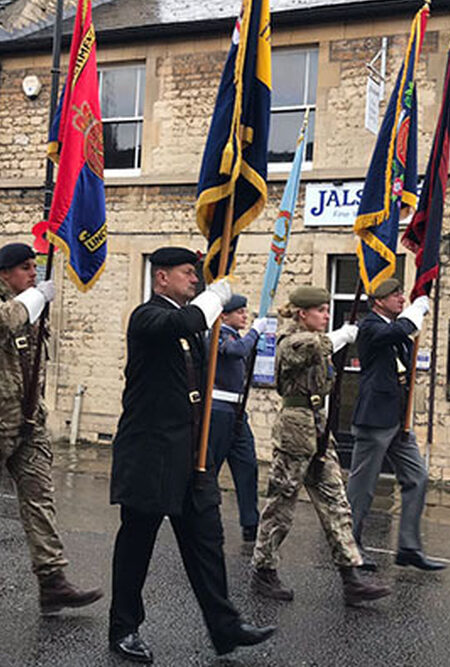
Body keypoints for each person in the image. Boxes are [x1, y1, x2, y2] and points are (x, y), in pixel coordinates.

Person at [109, 246, 275, 664]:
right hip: (150, 454)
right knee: (137, 544)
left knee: (206, 542)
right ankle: (124, 627)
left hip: (189, 455)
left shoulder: (190, 327)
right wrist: (216, 299)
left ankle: (225, 626)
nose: (195, 280)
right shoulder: (148, 317)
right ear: (160, 277)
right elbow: (186, 320)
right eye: (187, 273)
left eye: (195, 274)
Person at [0, 243, 102, 616]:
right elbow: (3, 321)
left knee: (40, 500)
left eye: (35, 267)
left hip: (28, 422)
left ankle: (52, 582)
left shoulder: (32, 306)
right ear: (4, 273)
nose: (34, 273)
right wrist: (36, 296)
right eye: (25, 268)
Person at [250, 286, 391, 606]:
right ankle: (264, 569)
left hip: (318, 425)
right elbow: (316, 346)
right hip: (295, 428)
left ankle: (351, 576)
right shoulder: (292, 341)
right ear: (303, 314)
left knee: (336, 501)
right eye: (321, 310)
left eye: (328, 309)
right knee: (282, 504)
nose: (327, 315)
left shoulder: (316, 341)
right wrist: (345, 333)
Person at [346, 278, 445, 572]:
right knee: (362, 488)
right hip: (375, 418)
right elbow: (399, 330)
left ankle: (409, 547)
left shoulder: (391, 327)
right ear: (378, 301)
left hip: (398, 418)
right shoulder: (370, 327)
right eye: (396, 295)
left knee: (417, 476)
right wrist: (416, 310)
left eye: (403, 294)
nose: (402, 299)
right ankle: (348, 546)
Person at [207, 294, 269, 546]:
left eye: (246, 312)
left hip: (237, 412)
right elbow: (236, 351)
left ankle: (250, 522)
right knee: (211, 467)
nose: (245, 316)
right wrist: (254, 333)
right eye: (240, 312)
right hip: (218, 411)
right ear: (224, 316)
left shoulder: (234, 334)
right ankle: (202, 516)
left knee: (247, 465)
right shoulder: (218, 334)